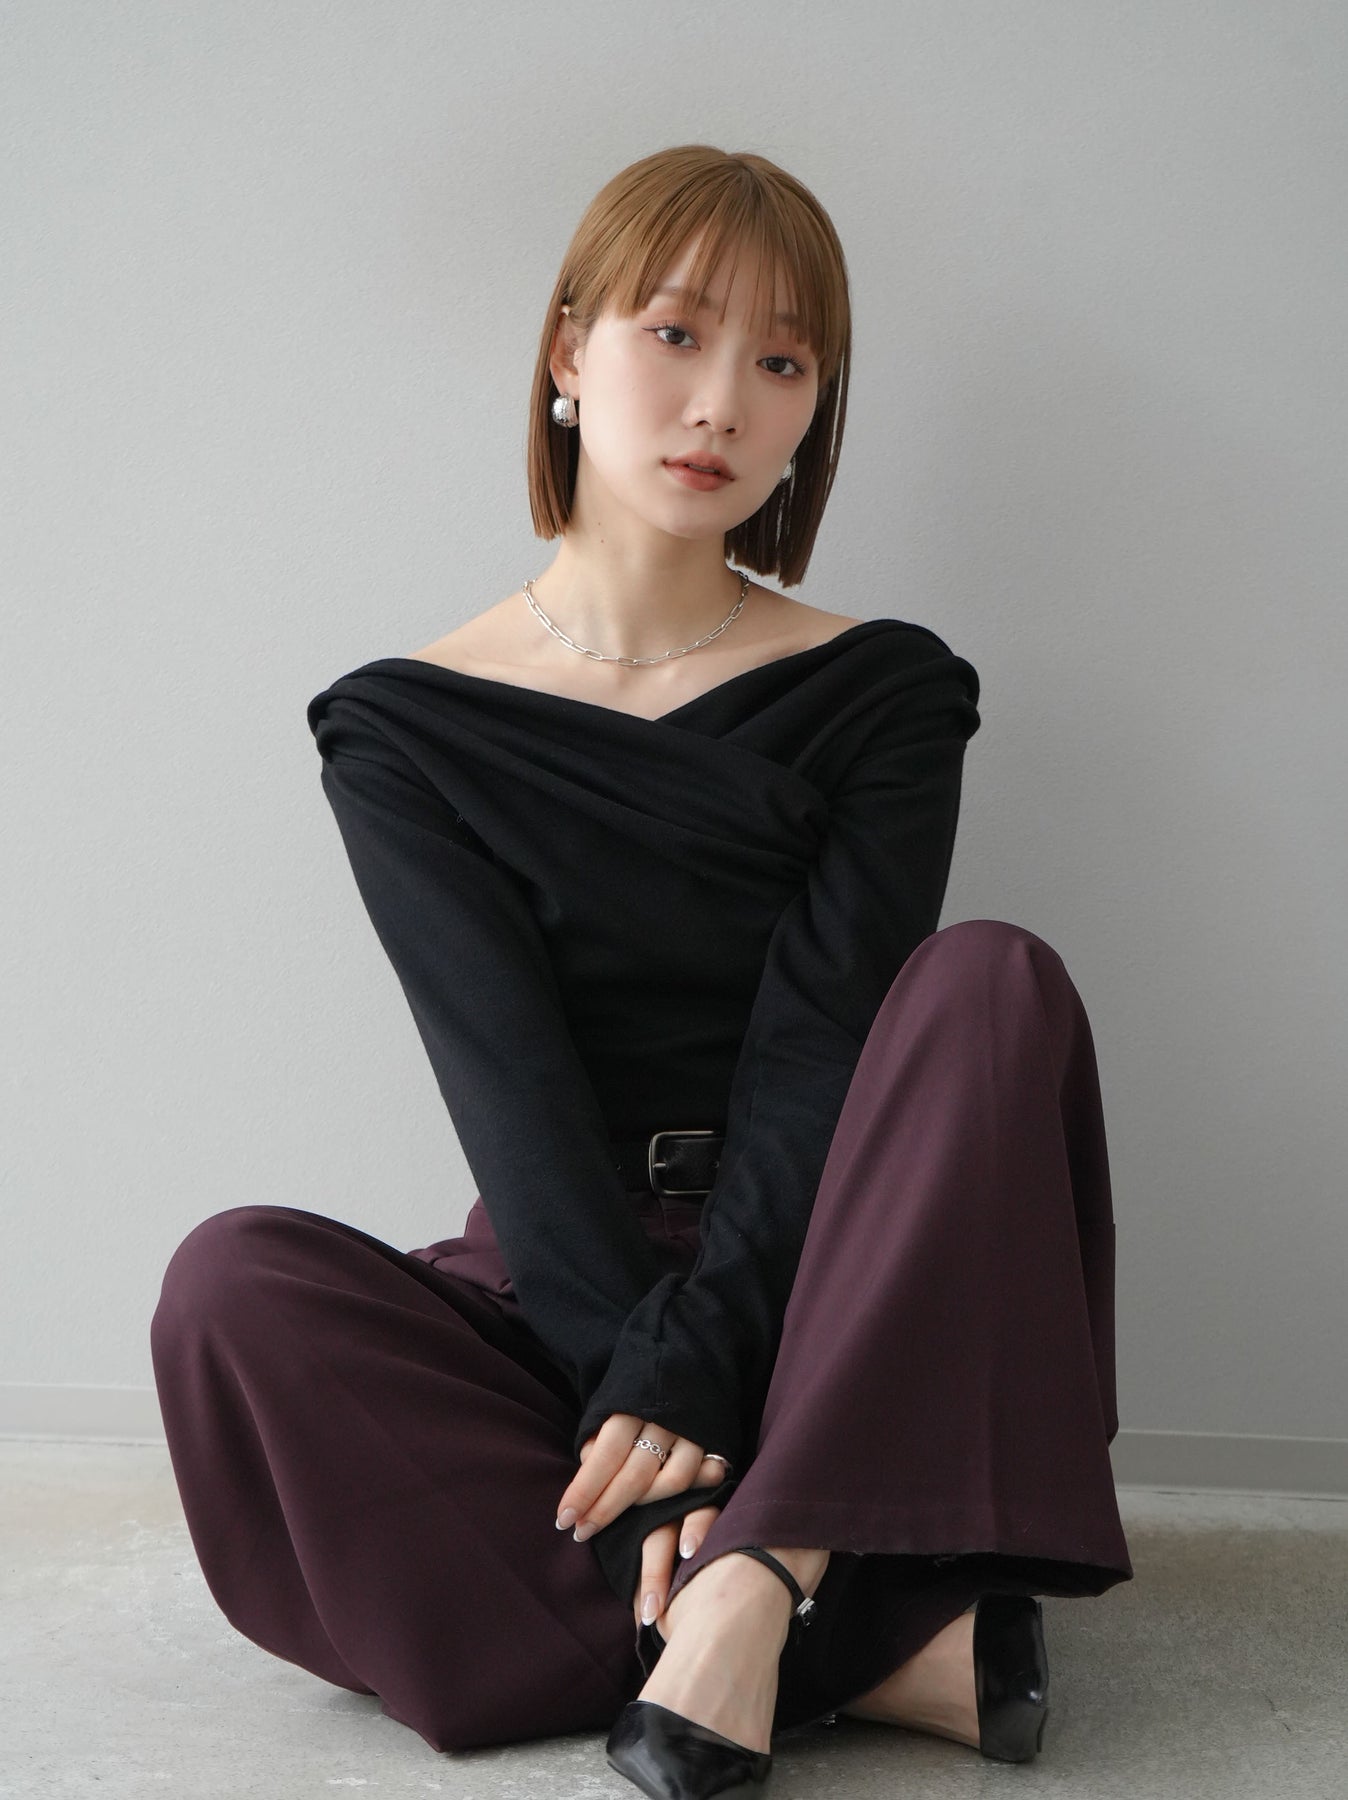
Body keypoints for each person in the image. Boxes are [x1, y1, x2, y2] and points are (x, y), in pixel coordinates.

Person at [150, 144, 1132, 1796]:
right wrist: (642, 1373)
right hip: (566, 1269)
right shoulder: (403, 725)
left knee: (991, 983)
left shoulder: (887, 692)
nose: (722, 404)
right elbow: (510, 1090)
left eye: (782, 363)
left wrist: (714, 1355)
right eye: (675, 335)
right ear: (568, 347)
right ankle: (861, 1639)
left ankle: (757, 1582)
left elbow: (821, 1046)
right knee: (229, 1281)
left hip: (835, 1262)